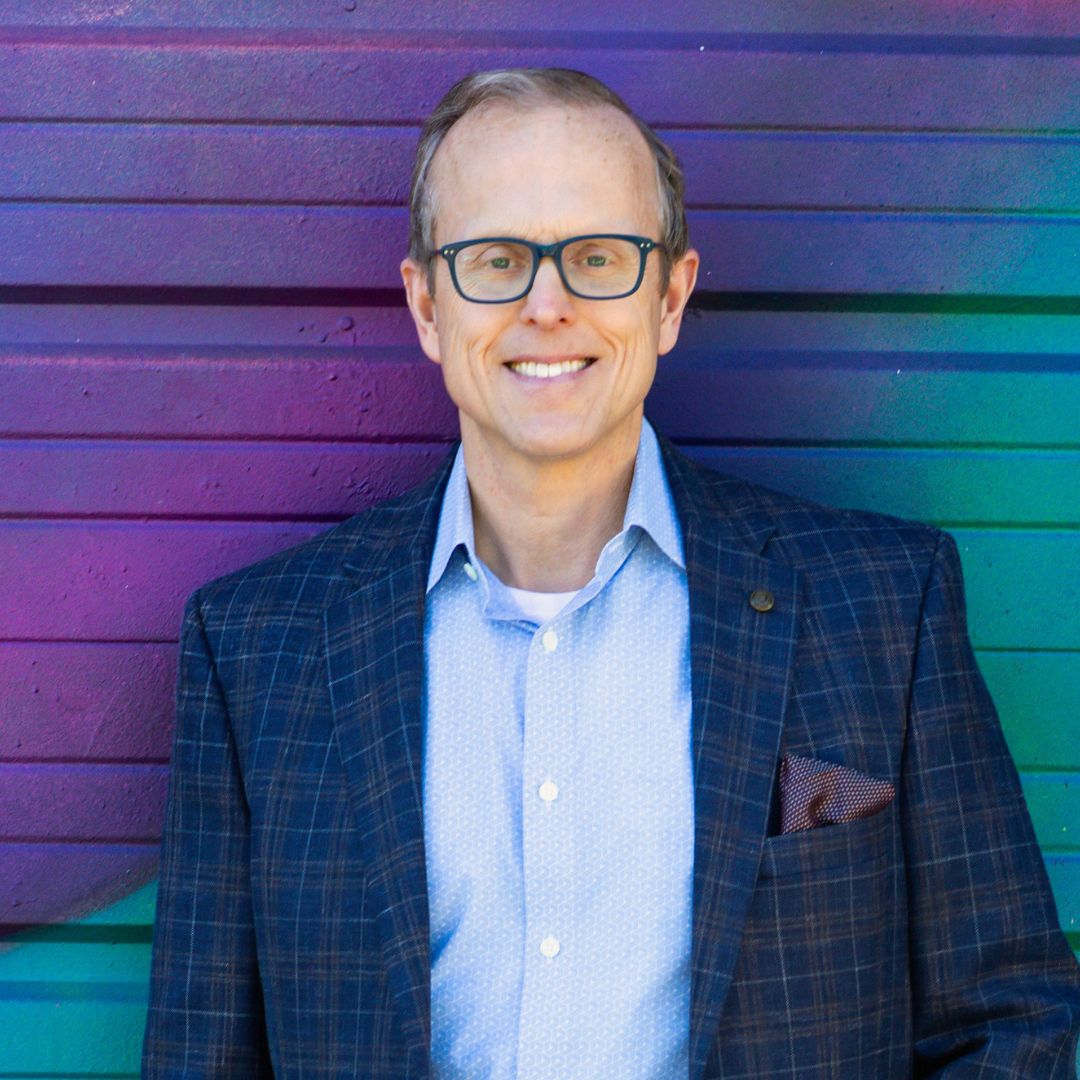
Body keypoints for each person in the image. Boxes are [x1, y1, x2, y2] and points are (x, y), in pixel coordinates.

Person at [142, 68, 1080, 1078]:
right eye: (496, 259)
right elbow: (203, 1058)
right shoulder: (255, 653)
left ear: (671, 296)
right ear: (425, 304)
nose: (548, 305)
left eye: (598, 258)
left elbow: (1008, 1018)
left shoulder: (883, 610)